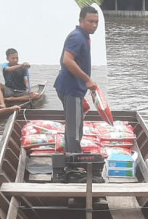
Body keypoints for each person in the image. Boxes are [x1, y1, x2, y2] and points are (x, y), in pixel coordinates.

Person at [54, 5, 99, 155]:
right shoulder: (77, 37)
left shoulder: (84, 36)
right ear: (81, 21)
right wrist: (87, 80)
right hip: (71, 88)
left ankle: (71, 155)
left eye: (96, 22)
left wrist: (87, 84)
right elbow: (67, 60)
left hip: (75, 88)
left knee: (75, 124)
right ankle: (73, 162)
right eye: (90, 21)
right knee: (74, 128)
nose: (94, 25)